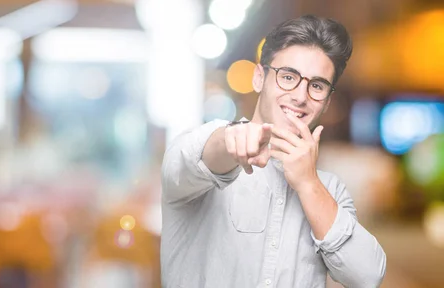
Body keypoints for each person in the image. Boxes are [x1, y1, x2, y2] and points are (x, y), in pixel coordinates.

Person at [160, 15, 386, 287]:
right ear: (259, 78)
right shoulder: (204, 146)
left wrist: (308, 184)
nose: (301, 96)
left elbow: (368, 276)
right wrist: (230, 141)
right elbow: (189, 161)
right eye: (288, 77)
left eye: (316, 85)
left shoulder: (329, 189)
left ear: (326, 102)